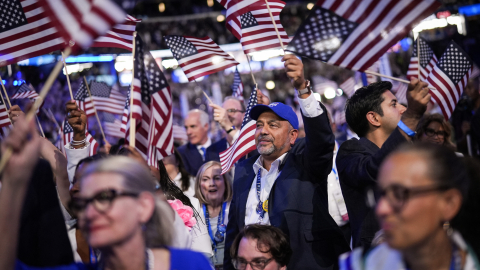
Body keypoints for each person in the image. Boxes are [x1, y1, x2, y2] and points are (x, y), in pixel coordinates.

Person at [0, 117, 213, 270]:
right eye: (82, 203)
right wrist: (12, 183)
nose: (90, 212)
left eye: (104, 197)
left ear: (143, 206)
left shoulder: (188, 264)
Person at [224, 54, 350, 270]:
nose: (263, 130)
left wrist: (302, 89)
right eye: (259, 125)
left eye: (273, 125)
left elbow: (321, 141)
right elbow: (234, 231)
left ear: (293, 136)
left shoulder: (304, 160)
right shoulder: (244, 170)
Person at [339, 143, 479, 270]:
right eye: (382, 194)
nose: (381, 209)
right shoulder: (359, 265)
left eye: (399, 194)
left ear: (449, 204)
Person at [336, 79, 431, 249]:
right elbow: (375, 169)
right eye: (394, 104)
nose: (403, 109)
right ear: (374, 118)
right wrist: (412, 116)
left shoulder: (410, 148)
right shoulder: (351, 151)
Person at [194, 161, 233, 268]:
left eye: (216, 178)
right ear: (199, 185)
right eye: (205, 179)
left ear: (225, 182)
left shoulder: (235, 209)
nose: (212, 183)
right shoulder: (192, 212)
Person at [178, 109, 217, 176]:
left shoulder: (221, 148)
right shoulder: (181, 153)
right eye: (186, 128)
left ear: (206, 126)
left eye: (193, 126)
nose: (188, 132)